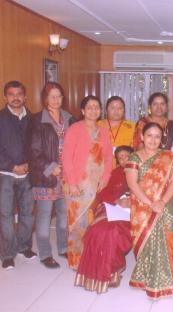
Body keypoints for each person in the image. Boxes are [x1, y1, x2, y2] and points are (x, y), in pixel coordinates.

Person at [125, 122, 173, 299]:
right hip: (142, 205)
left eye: (157, 136)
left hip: (165, 203)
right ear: (142, 137)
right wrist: (151, 203)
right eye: (149, 135)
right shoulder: (134, 158)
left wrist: (162, 202)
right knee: (149, 230)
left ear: (162, 139)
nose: (153, 140)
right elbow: (132, 185)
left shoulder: (170, 157)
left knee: (166, 226)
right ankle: (144, 278)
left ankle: (164, 282)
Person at [0, 80, 36, 269]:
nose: (16, 98)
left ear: (25, 96)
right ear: (5, 97)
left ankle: (24, 247)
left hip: (28, 174)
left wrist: (29, 164)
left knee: (27, 214)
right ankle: (7, 254)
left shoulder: (33, 119)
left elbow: (37, 146)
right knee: (5, 215)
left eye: (19, 94)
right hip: (6, 174)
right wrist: (13, 166)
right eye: (12, 94)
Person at [28, 82, 75, 269]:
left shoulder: (69, 118)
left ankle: (63, 248)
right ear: (45, 98)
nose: (56, 100)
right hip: (45, 176)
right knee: (44, 215)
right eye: (52, 96)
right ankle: (45, 253)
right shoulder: (37, 120)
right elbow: (32, 151)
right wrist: (50, 167)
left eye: (59, 96)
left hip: (67, 175)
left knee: (64, 214)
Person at [62, 95, 113, 270]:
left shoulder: (104, 131)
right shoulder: (74, 129)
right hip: (77, 183)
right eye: (89, 107)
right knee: (77, 223)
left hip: (96, 184)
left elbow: (108, 158)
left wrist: (105, 179)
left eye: (96, 107)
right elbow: (66, 158)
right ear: (83, 111)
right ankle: (77, 261)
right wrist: (73, 183)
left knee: (93, 222)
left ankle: (91, 258)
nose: (93, 110)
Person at [75, 145, 134, 294]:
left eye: (127, 156)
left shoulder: (141, 172)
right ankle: (97, 276)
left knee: (112, 232)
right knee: (97, 231)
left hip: (132, 213)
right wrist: (117, 201)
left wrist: (131, 201)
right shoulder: (115, 174)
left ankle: (112, 273)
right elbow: (103, 195)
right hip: (112, 210)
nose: (124, 160)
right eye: (120, 158)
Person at [98, 96, 136, 164]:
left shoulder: (132, 127)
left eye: (120, 108)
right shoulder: (97, 125)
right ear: (106, 110)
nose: (116, 111)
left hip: (123, 168)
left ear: (124, 111)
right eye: (112, 108)